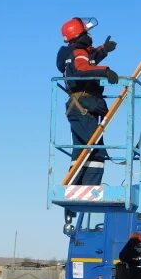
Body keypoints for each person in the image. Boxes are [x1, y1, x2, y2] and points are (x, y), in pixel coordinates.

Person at [56, 17, 118, 186]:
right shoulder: (78, 53)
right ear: (80, 34)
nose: (89, 34)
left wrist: (103, 50)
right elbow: (83, 68)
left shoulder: (75, 53)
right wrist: (105, 71)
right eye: (86, 32)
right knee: (96, 150)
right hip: (83, 107)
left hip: (79, 108)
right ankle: (88, 188)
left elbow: (88, 61)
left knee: (81, 151)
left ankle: (72, 189)